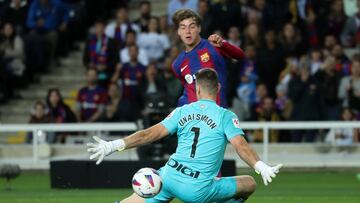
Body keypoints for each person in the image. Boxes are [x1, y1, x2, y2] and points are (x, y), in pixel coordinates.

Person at [87, 69, 282, 203]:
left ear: (197, 89)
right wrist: (260, 166)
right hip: (197, 189)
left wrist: (112, 145)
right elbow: (241, 146)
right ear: (218, 89)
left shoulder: (182, 111)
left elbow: (148, 134)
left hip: (169, 176)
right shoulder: (225, 116)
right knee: (249, 183)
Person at [171, 9, 244, 108]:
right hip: (192, 118)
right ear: (178, 32)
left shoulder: (214, 45)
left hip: (217, 114)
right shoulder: (177, 64)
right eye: (183, 28)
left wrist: (223, 44)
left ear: (199, 28)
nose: (187, 31)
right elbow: (188, 88)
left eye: (192, 27)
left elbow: (240, 55)